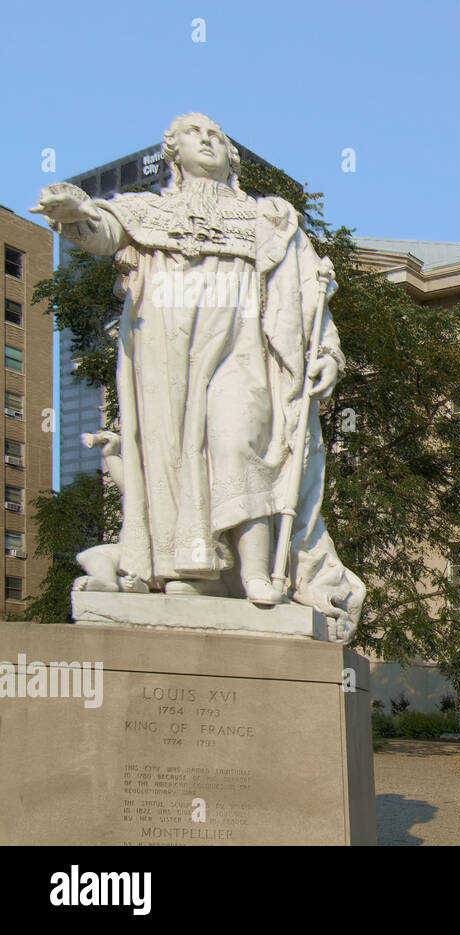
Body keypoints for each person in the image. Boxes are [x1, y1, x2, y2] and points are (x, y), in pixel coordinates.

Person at [31, 113, 363, 639]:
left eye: (218, 136)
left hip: (245, 346)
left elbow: (308, 290)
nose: (208, 140)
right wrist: (75, 213)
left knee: (240, 443)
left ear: (233, 158)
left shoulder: (269, 218)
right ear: (173, 153)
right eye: (195, 134)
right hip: (167, 352)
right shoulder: (147, 209)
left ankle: (255, 570)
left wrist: (327, 351)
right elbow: (99, 230)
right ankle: (192, 571)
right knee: (176, 456)